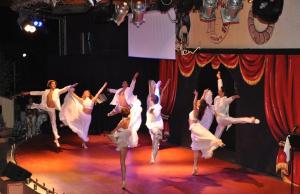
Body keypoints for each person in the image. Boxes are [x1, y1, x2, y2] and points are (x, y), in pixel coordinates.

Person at [22, 80, 78, 147]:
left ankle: (56, 139)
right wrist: (28, 93)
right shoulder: (46, 91)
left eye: (55, 84)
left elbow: (64, 89)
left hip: (52, 109)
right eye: (53, 84)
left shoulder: (57, 91)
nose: (54, 85)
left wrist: (71, 86)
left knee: (53, 123)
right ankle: (32, 106)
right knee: (38, 106)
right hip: (45, 106)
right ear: (50, 85)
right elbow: (37, 92)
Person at [60, 82, 107, 148]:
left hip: (88, 117)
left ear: (89, 94)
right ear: (84, 94)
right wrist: (70, 90)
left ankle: (83, 143)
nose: (87, 93)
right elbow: (74, 95)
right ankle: (66, 122)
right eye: (86, 92)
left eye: (88, 92)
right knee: (78, 125)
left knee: (85, 130)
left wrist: (104, 86)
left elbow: (99, 92)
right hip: (82, 115)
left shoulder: (93, 100)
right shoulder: (82, 100)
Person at [214, 71, 260, 138]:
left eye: (220, 91)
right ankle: (210, 147)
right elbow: (220, 87)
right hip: (219, 120)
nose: (219, 91)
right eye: (219, 91)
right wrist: (219, 78)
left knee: (235, 120)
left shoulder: (225, 100)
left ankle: (251, 120)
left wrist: (236, 96)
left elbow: (231, 98)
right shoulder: (217, 98)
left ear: (223, 93)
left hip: (223, 118)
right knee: (216, 136)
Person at [189, 90, 225, 176]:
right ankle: (214, 143)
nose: (198, 101)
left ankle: (195, 167)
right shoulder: (199, 110)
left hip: (196, 131)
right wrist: (202, 94)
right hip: (197, 132)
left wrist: (198, 95)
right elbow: (199, 102)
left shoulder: (199, 109)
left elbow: (197, 102)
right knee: (200, 146)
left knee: (198, 148)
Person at [111, 108, 131, 189]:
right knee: (123, 162)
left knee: (122, 163)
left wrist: (111, 133)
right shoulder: (129, 118)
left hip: (122, 140)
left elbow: (114, 130)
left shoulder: (122, 121)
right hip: (125, 139)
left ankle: (123, 182)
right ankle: (123, 181)